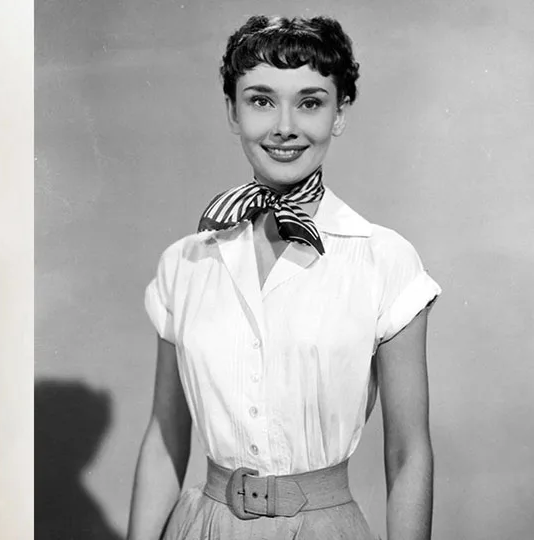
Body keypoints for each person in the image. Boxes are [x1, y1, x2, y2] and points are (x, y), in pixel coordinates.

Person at [127, 15, 439, 540]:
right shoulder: (184, 263)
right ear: (232, 111)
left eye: (311, 102)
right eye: (261, 100)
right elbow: (164, 437)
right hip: (204, 528)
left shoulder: (384, 259)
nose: (285, 127)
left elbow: (409, 453)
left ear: (340, 114)